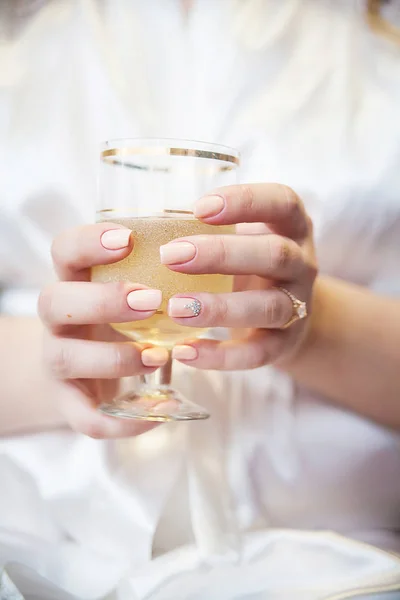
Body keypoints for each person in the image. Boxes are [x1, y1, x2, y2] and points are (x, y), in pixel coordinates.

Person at [1, 0, 400, 598]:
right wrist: (58, 360)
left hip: (343, 568)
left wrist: (313, 329)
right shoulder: (19, 42)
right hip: (37, 554)